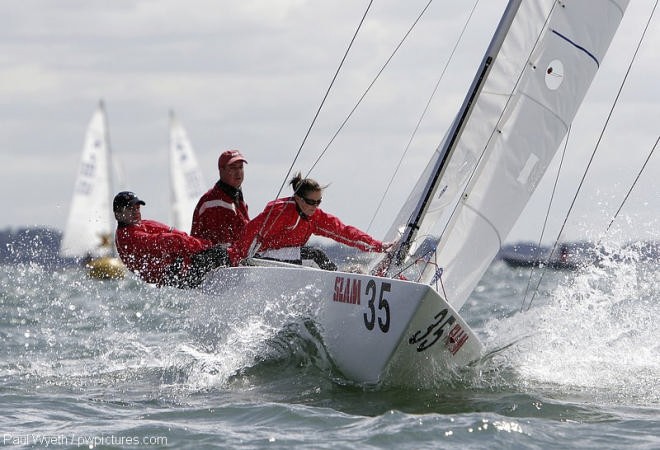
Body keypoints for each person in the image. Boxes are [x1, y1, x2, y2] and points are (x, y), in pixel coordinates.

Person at [228, 172, 394, 269]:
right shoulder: (281, 211)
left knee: (313, 255)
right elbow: (253, 231)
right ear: (299, 199)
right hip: (257, 257)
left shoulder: (315, 217)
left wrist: (378, 246)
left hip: (282, 259)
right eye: (311, 202)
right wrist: (237, 258)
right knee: (315, 256)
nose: (315, 206)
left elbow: (343, 232)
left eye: (318, 202)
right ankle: (337, 287)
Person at [113, 191, 229, 288]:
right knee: (220, 254)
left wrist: (205, 244)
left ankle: (233, 257)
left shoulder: (142, 224)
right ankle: (234, 260)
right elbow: (171, 241)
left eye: (137, 208)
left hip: (178, 267)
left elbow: (176, 233)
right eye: (130, 209)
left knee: (216, 249)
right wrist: (205, 246)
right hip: (172, 276)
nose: (136, 212)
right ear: (118, 214)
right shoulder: (127, 237)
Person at [191, 149, 249, 245]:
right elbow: (222, 245)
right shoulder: (214, 203)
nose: (238, 172)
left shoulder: (235, 197)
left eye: (240, 167)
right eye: (233, 168)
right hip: (212, 257)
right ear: (221, 171)